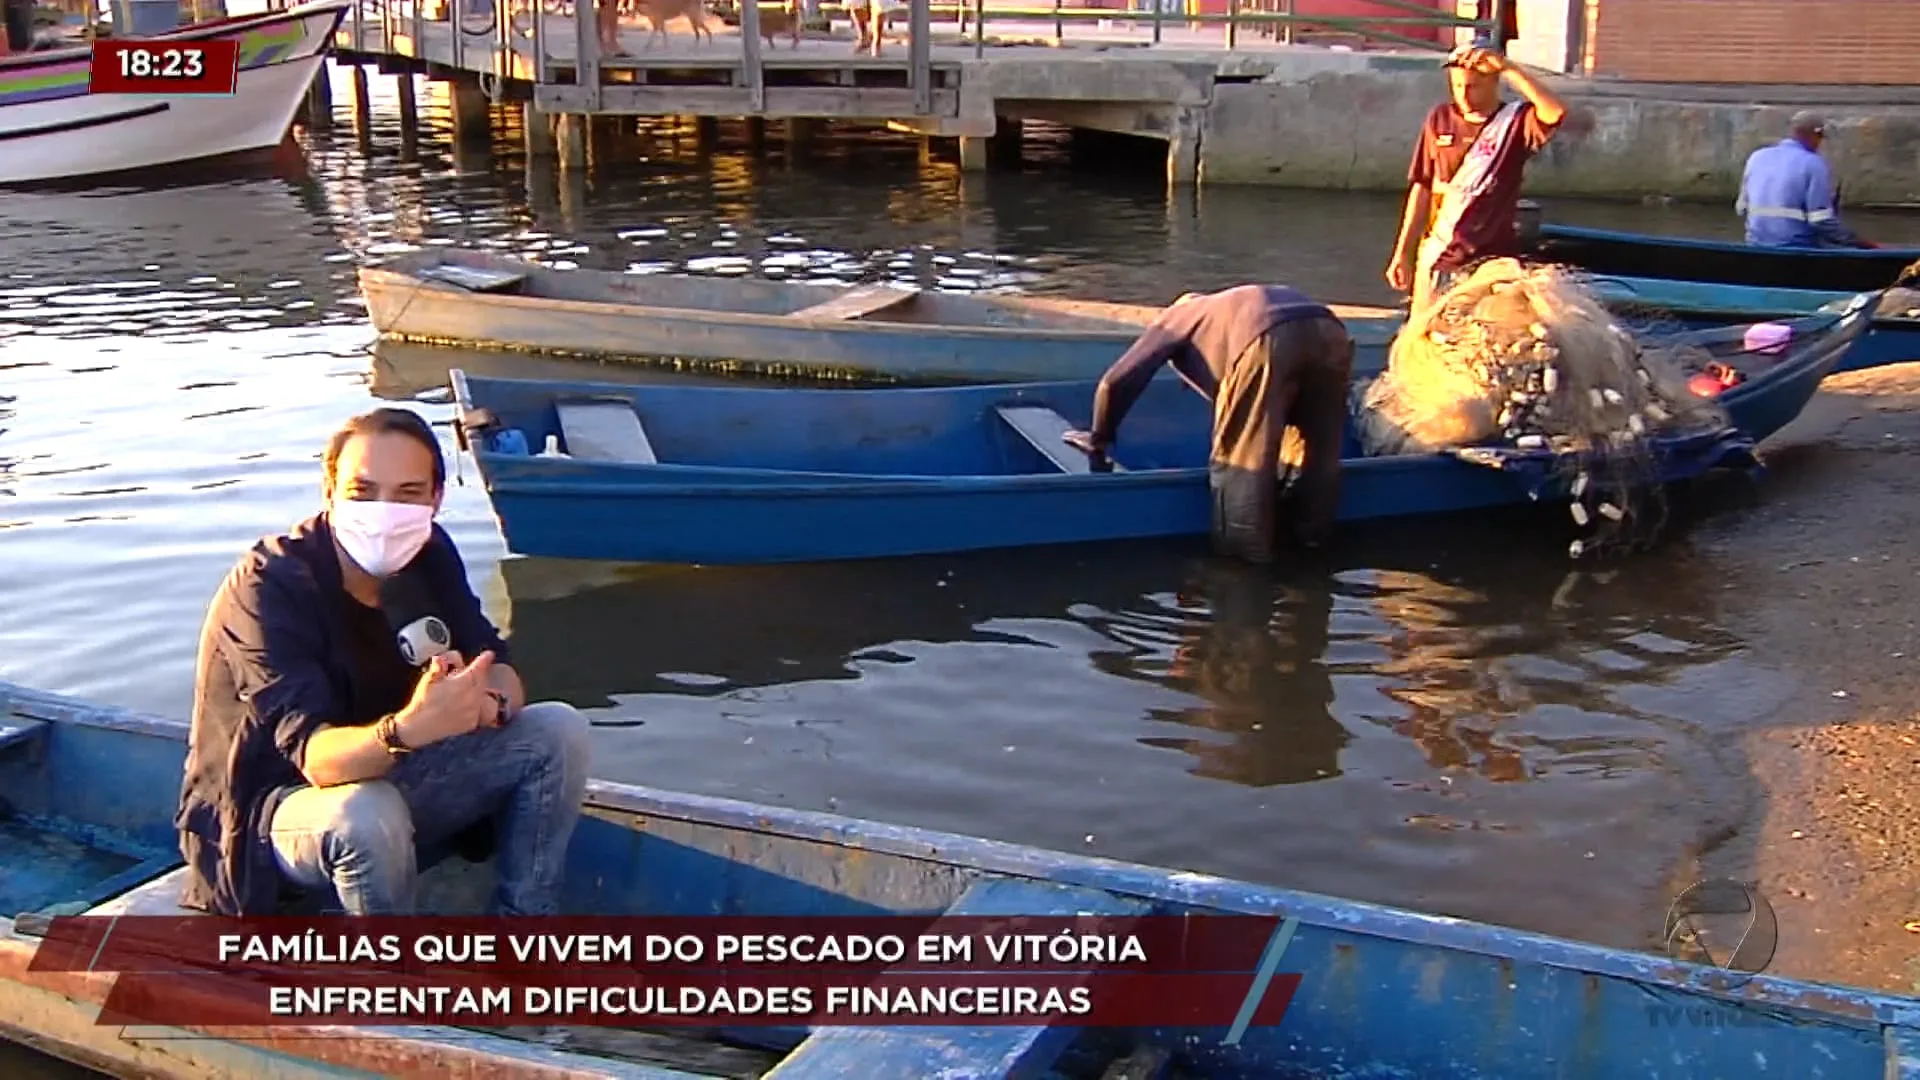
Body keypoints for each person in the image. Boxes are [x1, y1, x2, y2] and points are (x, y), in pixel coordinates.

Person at [175, 408, 591, 917]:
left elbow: (496, 664)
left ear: (435, 499)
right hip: (271, 817)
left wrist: (489, 705)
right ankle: (391, 975)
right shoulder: (270, 585)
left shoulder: (429, 553)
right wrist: (409, 729)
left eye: (408, 492)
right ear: (329, 491)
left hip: (393, 774)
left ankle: (523, 933)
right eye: (362, 491)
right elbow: (316, 760)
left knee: (557, 730)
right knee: (367, 813)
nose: (384, 512)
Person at [1061, 286, 1354, 565]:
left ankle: (1247, 567)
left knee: (1241, 465)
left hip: (1267, 335)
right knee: (1319, 454)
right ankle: (1312, 546)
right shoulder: (1220, 313)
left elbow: (1115, 383)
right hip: (1331, 332)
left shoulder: (1177, 317)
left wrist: (1100, 435)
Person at [1385, 37, 1566, 315]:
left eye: (1473, 87)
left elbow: (1555, 111)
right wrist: (1403, 252)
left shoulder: (1516, 123)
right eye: (1457, 86)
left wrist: (1510, 69)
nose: (1464, 96)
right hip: (1440, 254)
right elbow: (1422, 186)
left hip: (1493, 259)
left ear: (1494, 83)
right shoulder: (1440, 118)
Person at [1735, 111, 1875, 250]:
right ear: (1816, 135)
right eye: (1820, 138)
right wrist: (1857, 241)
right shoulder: (1814, 163)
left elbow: (1741, 208)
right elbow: (1820, 220)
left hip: (1756, 245)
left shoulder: (1757, 157)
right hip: (1797, 247)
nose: (1819, 143)